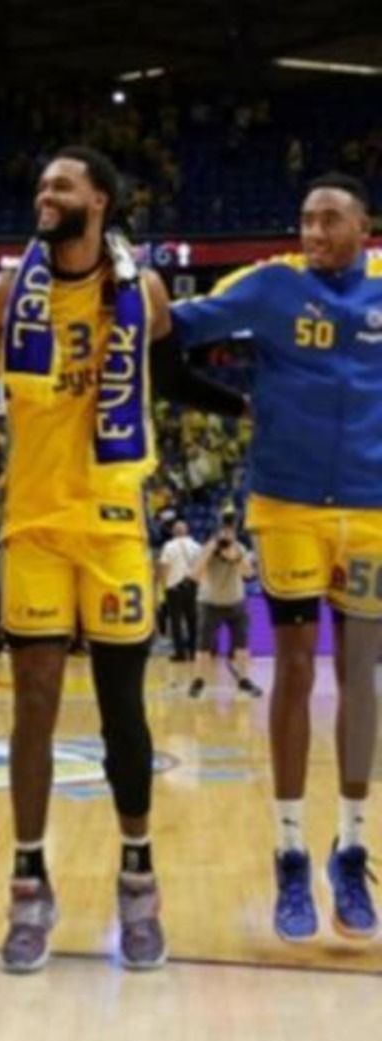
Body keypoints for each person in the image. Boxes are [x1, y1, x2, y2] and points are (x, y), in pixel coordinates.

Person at [0, 145, 247, 973]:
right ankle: (29, 883)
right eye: (42, 182)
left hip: (116, 525)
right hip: (34, 526)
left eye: (61, 184)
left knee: (124, 713)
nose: (44, 193)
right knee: (34, 708)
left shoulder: (144, 291)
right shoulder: (4, 292)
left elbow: (170, 379)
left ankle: (138, 879)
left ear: (100, 202)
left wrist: (248, 406)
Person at [169, 172, 382, 941]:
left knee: (359, 674)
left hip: (372, 513)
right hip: (287, 507)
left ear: (365, 228)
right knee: (292, 669)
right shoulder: (267, 285)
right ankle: (290, 854)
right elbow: (167, 329)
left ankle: (350, 849)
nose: (313, 231)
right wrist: (229, 403)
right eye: (306, 219)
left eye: (330, 219)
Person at [190, 511, 262, 700]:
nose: (227, 536)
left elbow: (248, 574)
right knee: (203, 647)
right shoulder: (207, 548)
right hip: (209, 603)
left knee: (242, 645)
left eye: (231, 532)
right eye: (224, 532)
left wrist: (236, 557)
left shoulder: (240, 548)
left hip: (235, 602)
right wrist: (208, 552)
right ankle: (198, 680)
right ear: (217, 532)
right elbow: (194, 575)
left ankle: (244, 679)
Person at [158, 519, 202, 663]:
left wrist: (164, 585)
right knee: (192, 620)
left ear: (173, 532)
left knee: (176, 621)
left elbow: (164, 566)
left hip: (174, 587)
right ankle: (193, 652)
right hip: (192, 586)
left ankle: (180, 653)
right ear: (187, 530)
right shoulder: (196, 546)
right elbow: (202, 567)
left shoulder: (169, 546)